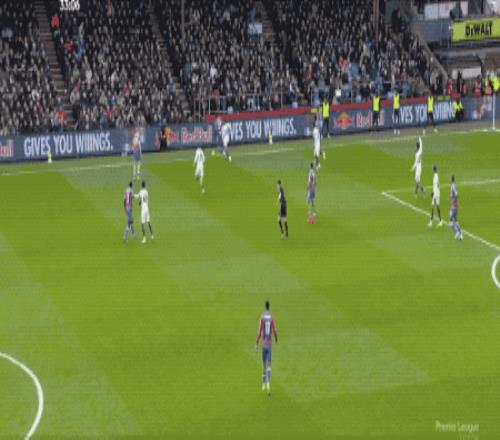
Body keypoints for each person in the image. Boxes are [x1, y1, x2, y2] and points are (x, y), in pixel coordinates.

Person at [255, 300, 278, 395]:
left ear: (265, 306)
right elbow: (275, 330)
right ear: (269, 306)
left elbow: (260, 332)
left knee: (264, 365)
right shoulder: (271, 317)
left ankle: (263, 384)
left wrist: (256, 343)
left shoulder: (262, 317)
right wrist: (276, 339)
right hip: (269, 345)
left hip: (264, 345)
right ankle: (268, 382)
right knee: (269, 365)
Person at [449, 175, 463, 240]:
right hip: (455, 206)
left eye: (450, 178)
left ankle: (456, 233)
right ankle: (461, 234)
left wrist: (453, 201)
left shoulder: (452, 186)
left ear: (451, 179)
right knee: (456, 221)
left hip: (453, 207)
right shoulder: (453, 185)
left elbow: (456, 194)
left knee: (450, 222)